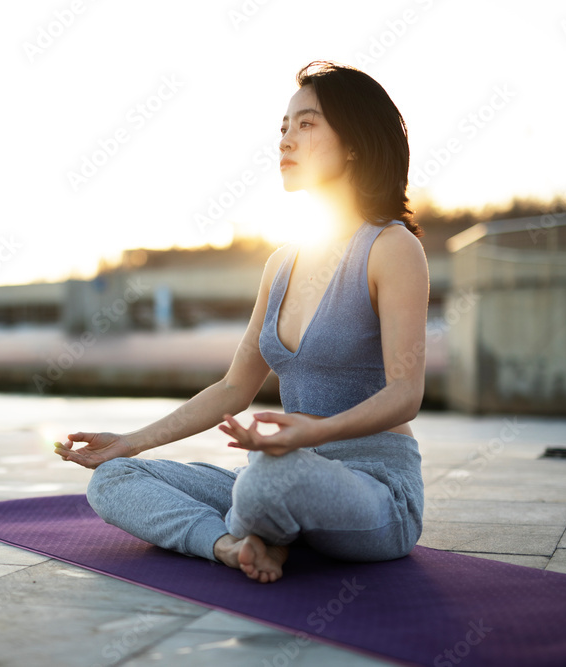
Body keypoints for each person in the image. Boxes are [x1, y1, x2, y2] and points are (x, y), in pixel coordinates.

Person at [54, 60, 429, 584]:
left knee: (266, 480)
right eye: (282, 127)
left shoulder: (392, 248)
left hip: (374, 491)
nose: (286, 140)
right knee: (114, 479)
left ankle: (256, 522)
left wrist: (311, 433)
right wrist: (128, 442)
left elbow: (405, 394)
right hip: (286, 468)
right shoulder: (281, 263)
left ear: (355, 143)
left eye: (306, 124)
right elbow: (234, 387)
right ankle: (230, 545)